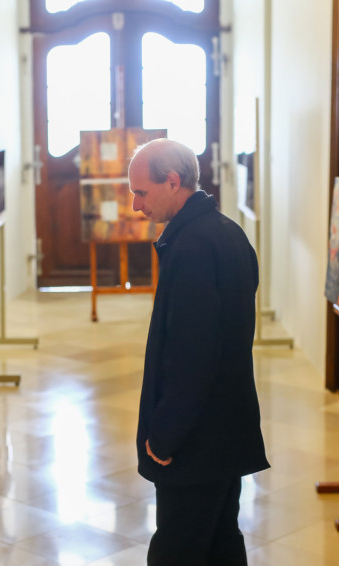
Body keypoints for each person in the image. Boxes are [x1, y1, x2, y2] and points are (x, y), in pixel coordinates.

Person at [128, 138, 270, 565]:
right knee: (221, 541)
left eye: (141, 192)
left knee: (179, 549)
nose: (136, 205)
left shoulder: (191, 248)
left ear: (173, 182)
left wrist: (165, 435)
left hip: (196, 440)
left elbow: (193, 357)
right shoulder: (228, 233)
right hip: (226, 428)